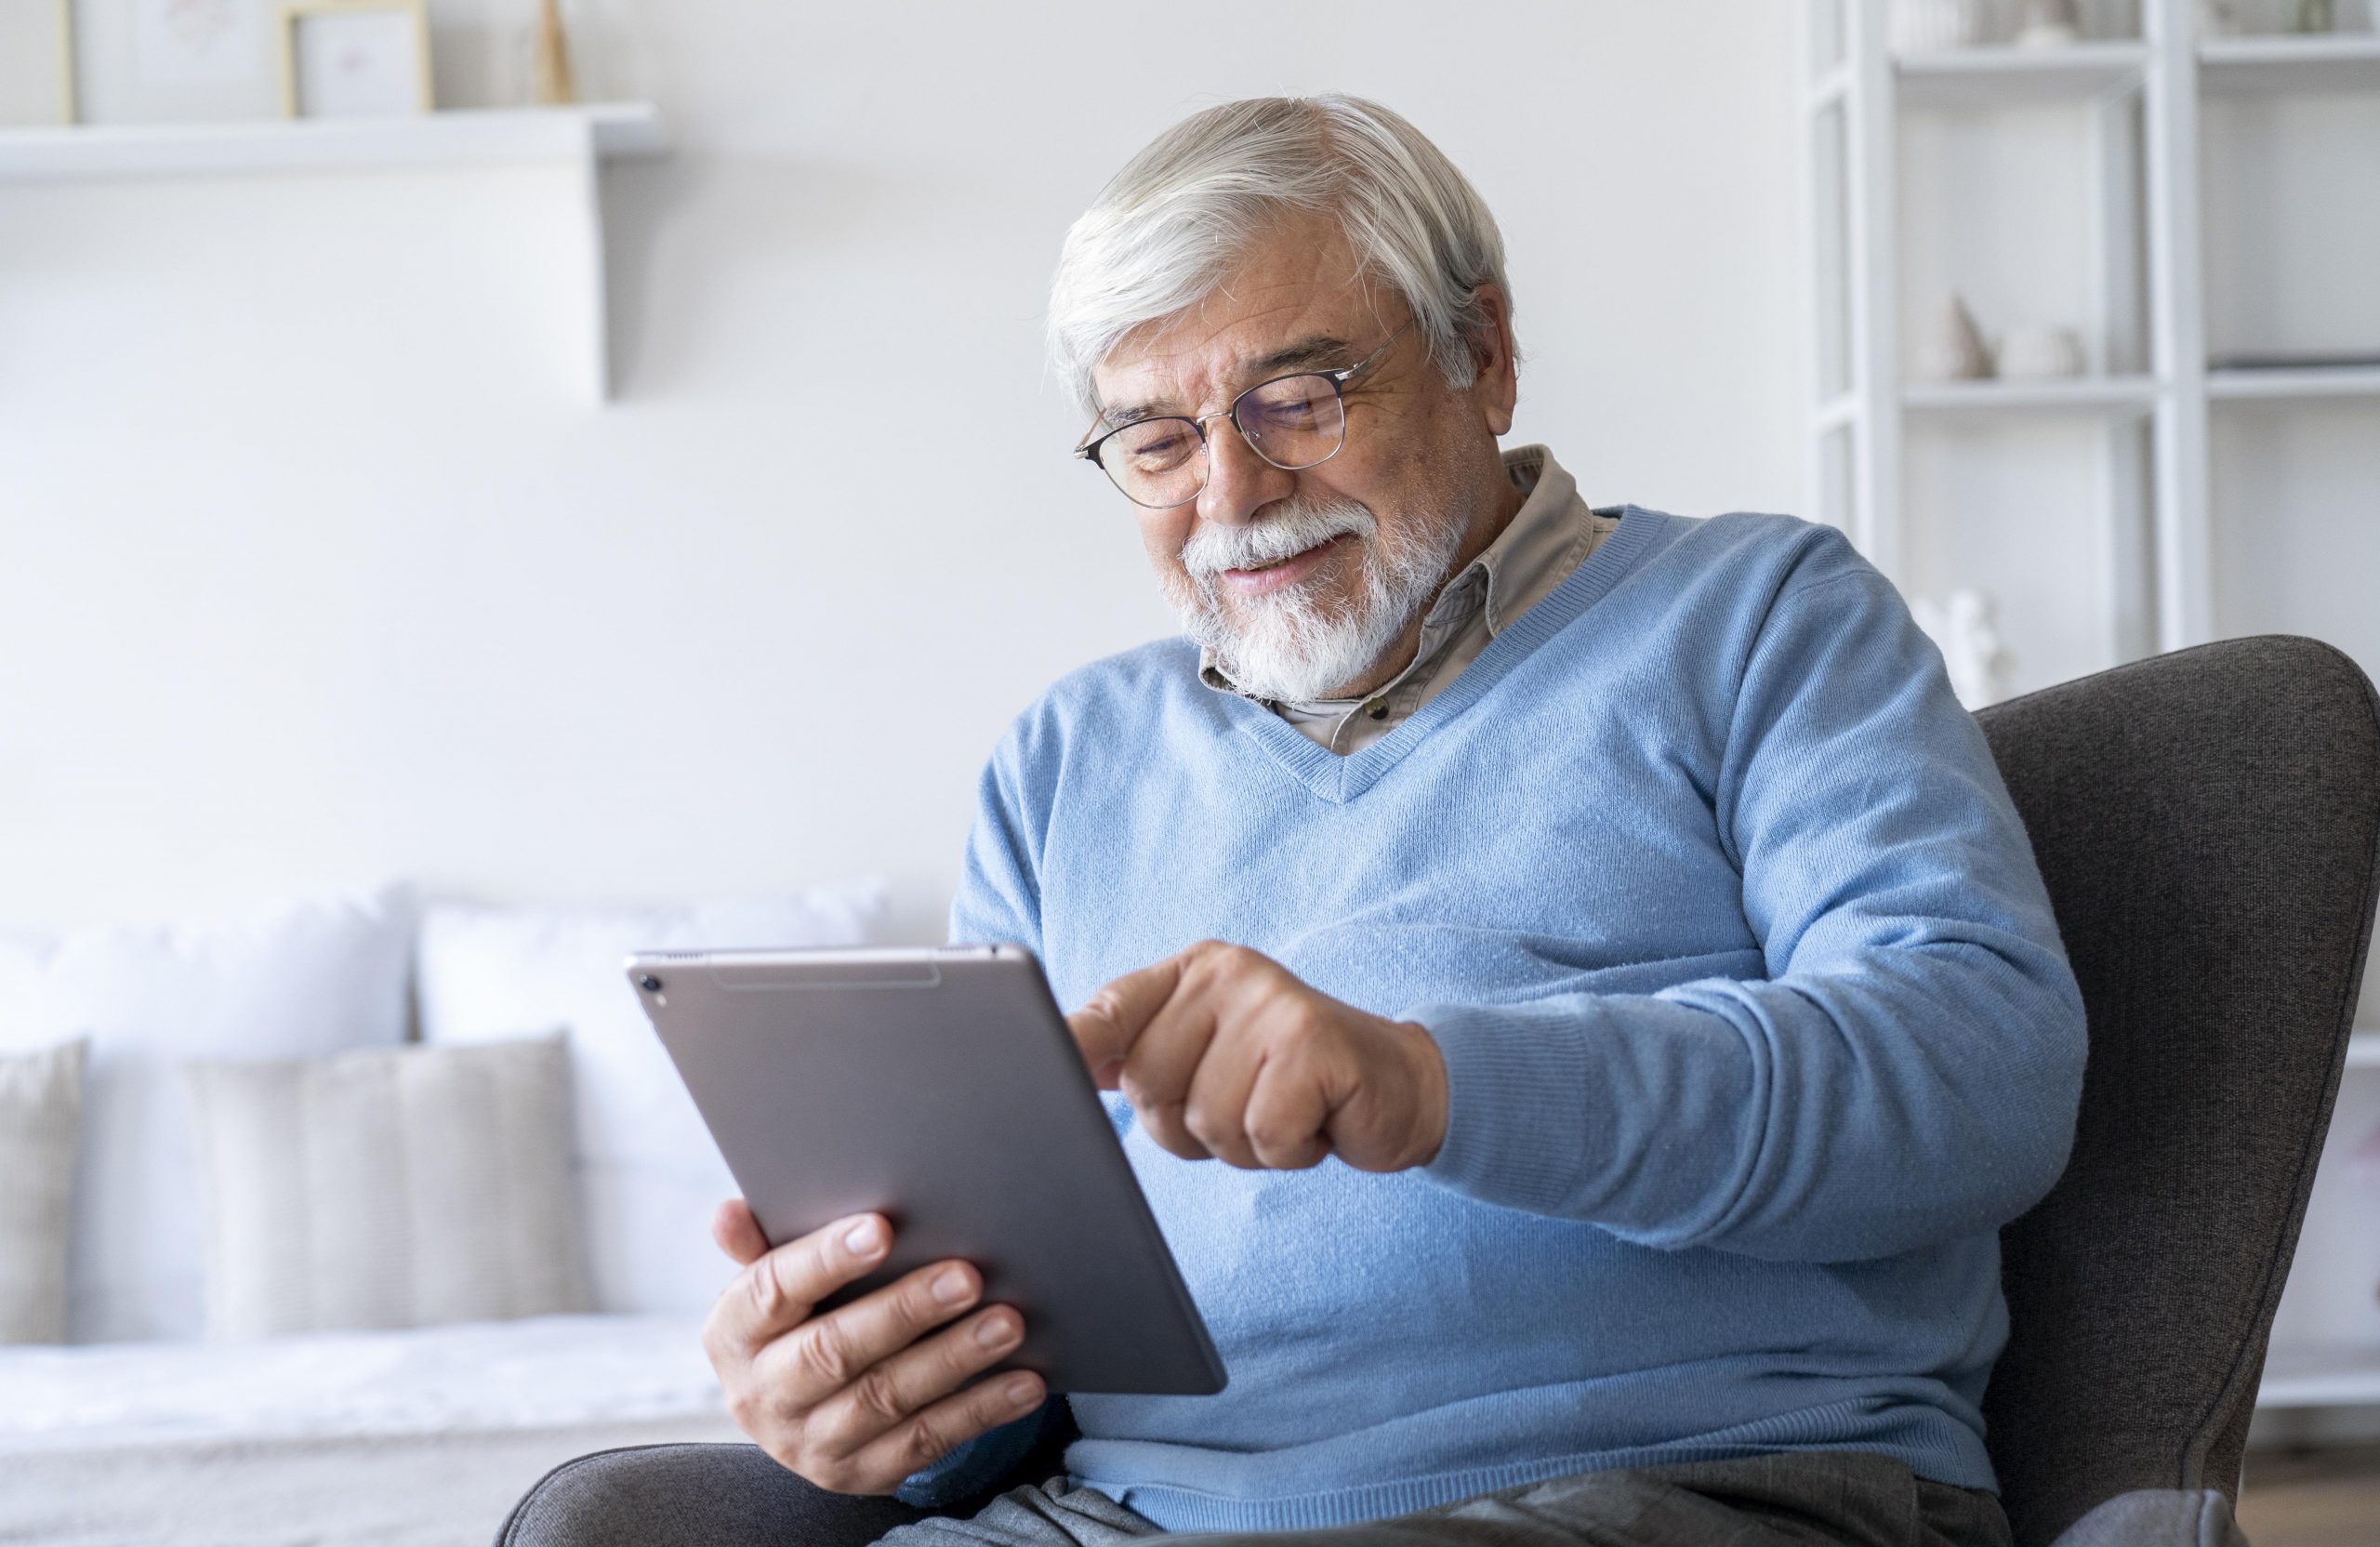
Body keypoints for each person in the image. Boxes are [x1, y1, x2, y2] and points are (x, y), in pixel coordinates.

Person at [501, 95, 2085, 1547]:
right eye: (1159, 439)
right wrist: (893, 1400)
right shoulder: (1065, 761)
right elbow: (1030, 1375)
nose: (1233, 497)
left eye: (1298, 397)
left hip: (1668, 1480)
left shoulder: (1760, 618)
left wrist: (1434, 1083)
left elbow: (1979, 1076)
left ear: (1484, 351)